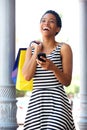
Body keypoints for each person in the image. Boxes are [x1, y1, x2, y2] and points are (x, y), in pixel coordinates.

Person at [22, 10, 76, 130]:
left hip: (57, 101)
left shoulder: (64, 48)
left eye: (51, 21)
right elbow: (26, 76)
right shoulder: (31, 49)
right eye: (43, 21)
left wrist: (53, 68)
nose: (46, 23)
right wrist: (36, 50)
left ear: (58, 28)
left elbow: (67, 81)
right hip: (37, 102)